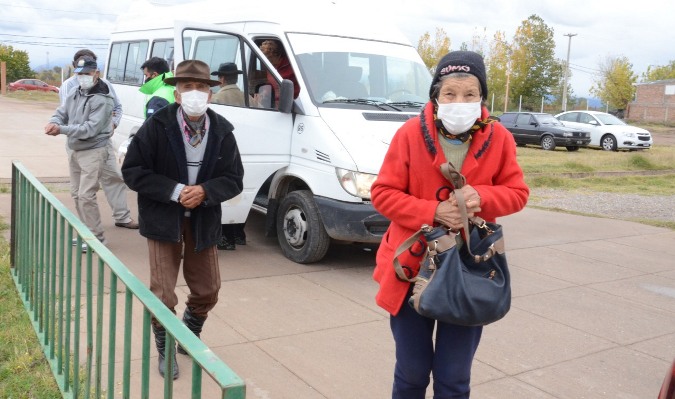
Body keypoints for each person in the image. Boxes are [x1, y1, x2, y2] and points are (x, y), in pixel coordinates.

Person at [370, 50, 529, 398]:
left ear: (481, 97)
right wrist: (432, 212)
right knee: (411, 374)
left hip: (470, 273)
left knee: (454, 379)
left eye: (470, 94)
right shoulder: (410, 134)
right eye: (450, 93)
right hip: (412, 271)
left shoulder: (499, 138)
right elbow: (382, 193)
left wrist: (483, 198)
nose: (460, 101)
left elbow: (518, 193)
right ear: (436, 96)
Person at [121, 59, 244, 379]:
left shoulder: (222, 131)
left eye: (200, 87)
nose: (194, 93)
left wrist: (205, 190)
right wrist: (175, 190)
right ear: (176, 94)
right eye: (186, 87)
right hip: (164, 219)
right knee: (163, 293)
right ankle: (166, 347)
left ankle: (189, 334)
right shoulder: (156, 126)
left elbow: (234, 178)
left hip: (203, 220)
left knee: (208, 289)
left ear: (210, 94)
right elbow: (133, 171)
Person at [60, 49, 139, 232]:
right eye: (81, 69)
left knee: (112, 177)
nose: (85, 75)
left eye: (91, 67)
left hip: (102, 143)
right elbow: (69, 115)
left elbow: (117, 107)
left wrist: (113, 124)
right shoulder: (69, 87)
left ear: (96, 70)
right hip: (79, 145)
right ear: (75, 67)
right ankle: (88, 229)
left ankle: (122, 217)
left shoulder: (106, 85)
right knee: (81, 190)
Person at [46, 56, 118, 247]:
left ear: (96, 73)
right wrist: (54, 122)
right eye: (79, 74)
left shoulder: (103, 99)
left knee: (87, 195)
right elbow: (62, 112)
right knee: (77, 193)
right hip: (75, 148)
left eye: (87, 73)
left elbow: (89, 129)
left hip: (93, 150)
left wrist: (61, 130)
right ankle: (87, 233)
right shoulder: (75, 92)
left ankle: (97, 238)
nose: (82, 77)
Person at [209, 62, 248, 250]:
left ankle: (224, 239)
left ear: (221, 78)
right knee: (238, 194)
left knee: (220, 197)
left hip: (222, 150)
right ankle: (238, 235)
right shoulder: (247, 97)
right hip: (245, 151)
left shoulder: (217, 99)